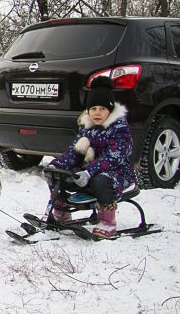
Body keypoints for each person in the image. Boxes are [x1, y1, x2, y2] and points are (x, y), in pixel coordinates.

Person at [47, 76, 135, 238]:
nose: (97, 113)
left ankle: (107, 221)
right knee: (59, 175)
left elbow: (113, 157)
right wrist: (57, 165)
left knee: (100, 180)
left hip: (117, 174)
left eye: (102, 109)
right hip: (88, 172)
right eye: (93, 109)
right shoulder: (87, 129)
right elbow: (74, 153)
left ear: (110, 110)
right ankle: (62, 211)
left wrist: (89, 171)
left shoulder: (119, 129)